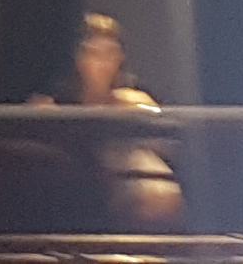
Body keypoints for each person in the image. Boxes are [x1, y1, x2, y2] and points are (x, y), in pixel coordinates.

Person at [24, 13, 185, 227]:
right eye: (94, 53)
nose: (103, 63)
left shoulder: (131, 99)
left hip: (132, 196)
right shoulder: (60, 101)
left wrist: (142, 113)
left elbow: (168, 139)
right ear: (79, 58)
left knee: (157, 192)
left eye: (110, 53)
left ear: (120, 58)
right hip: (76, 197)